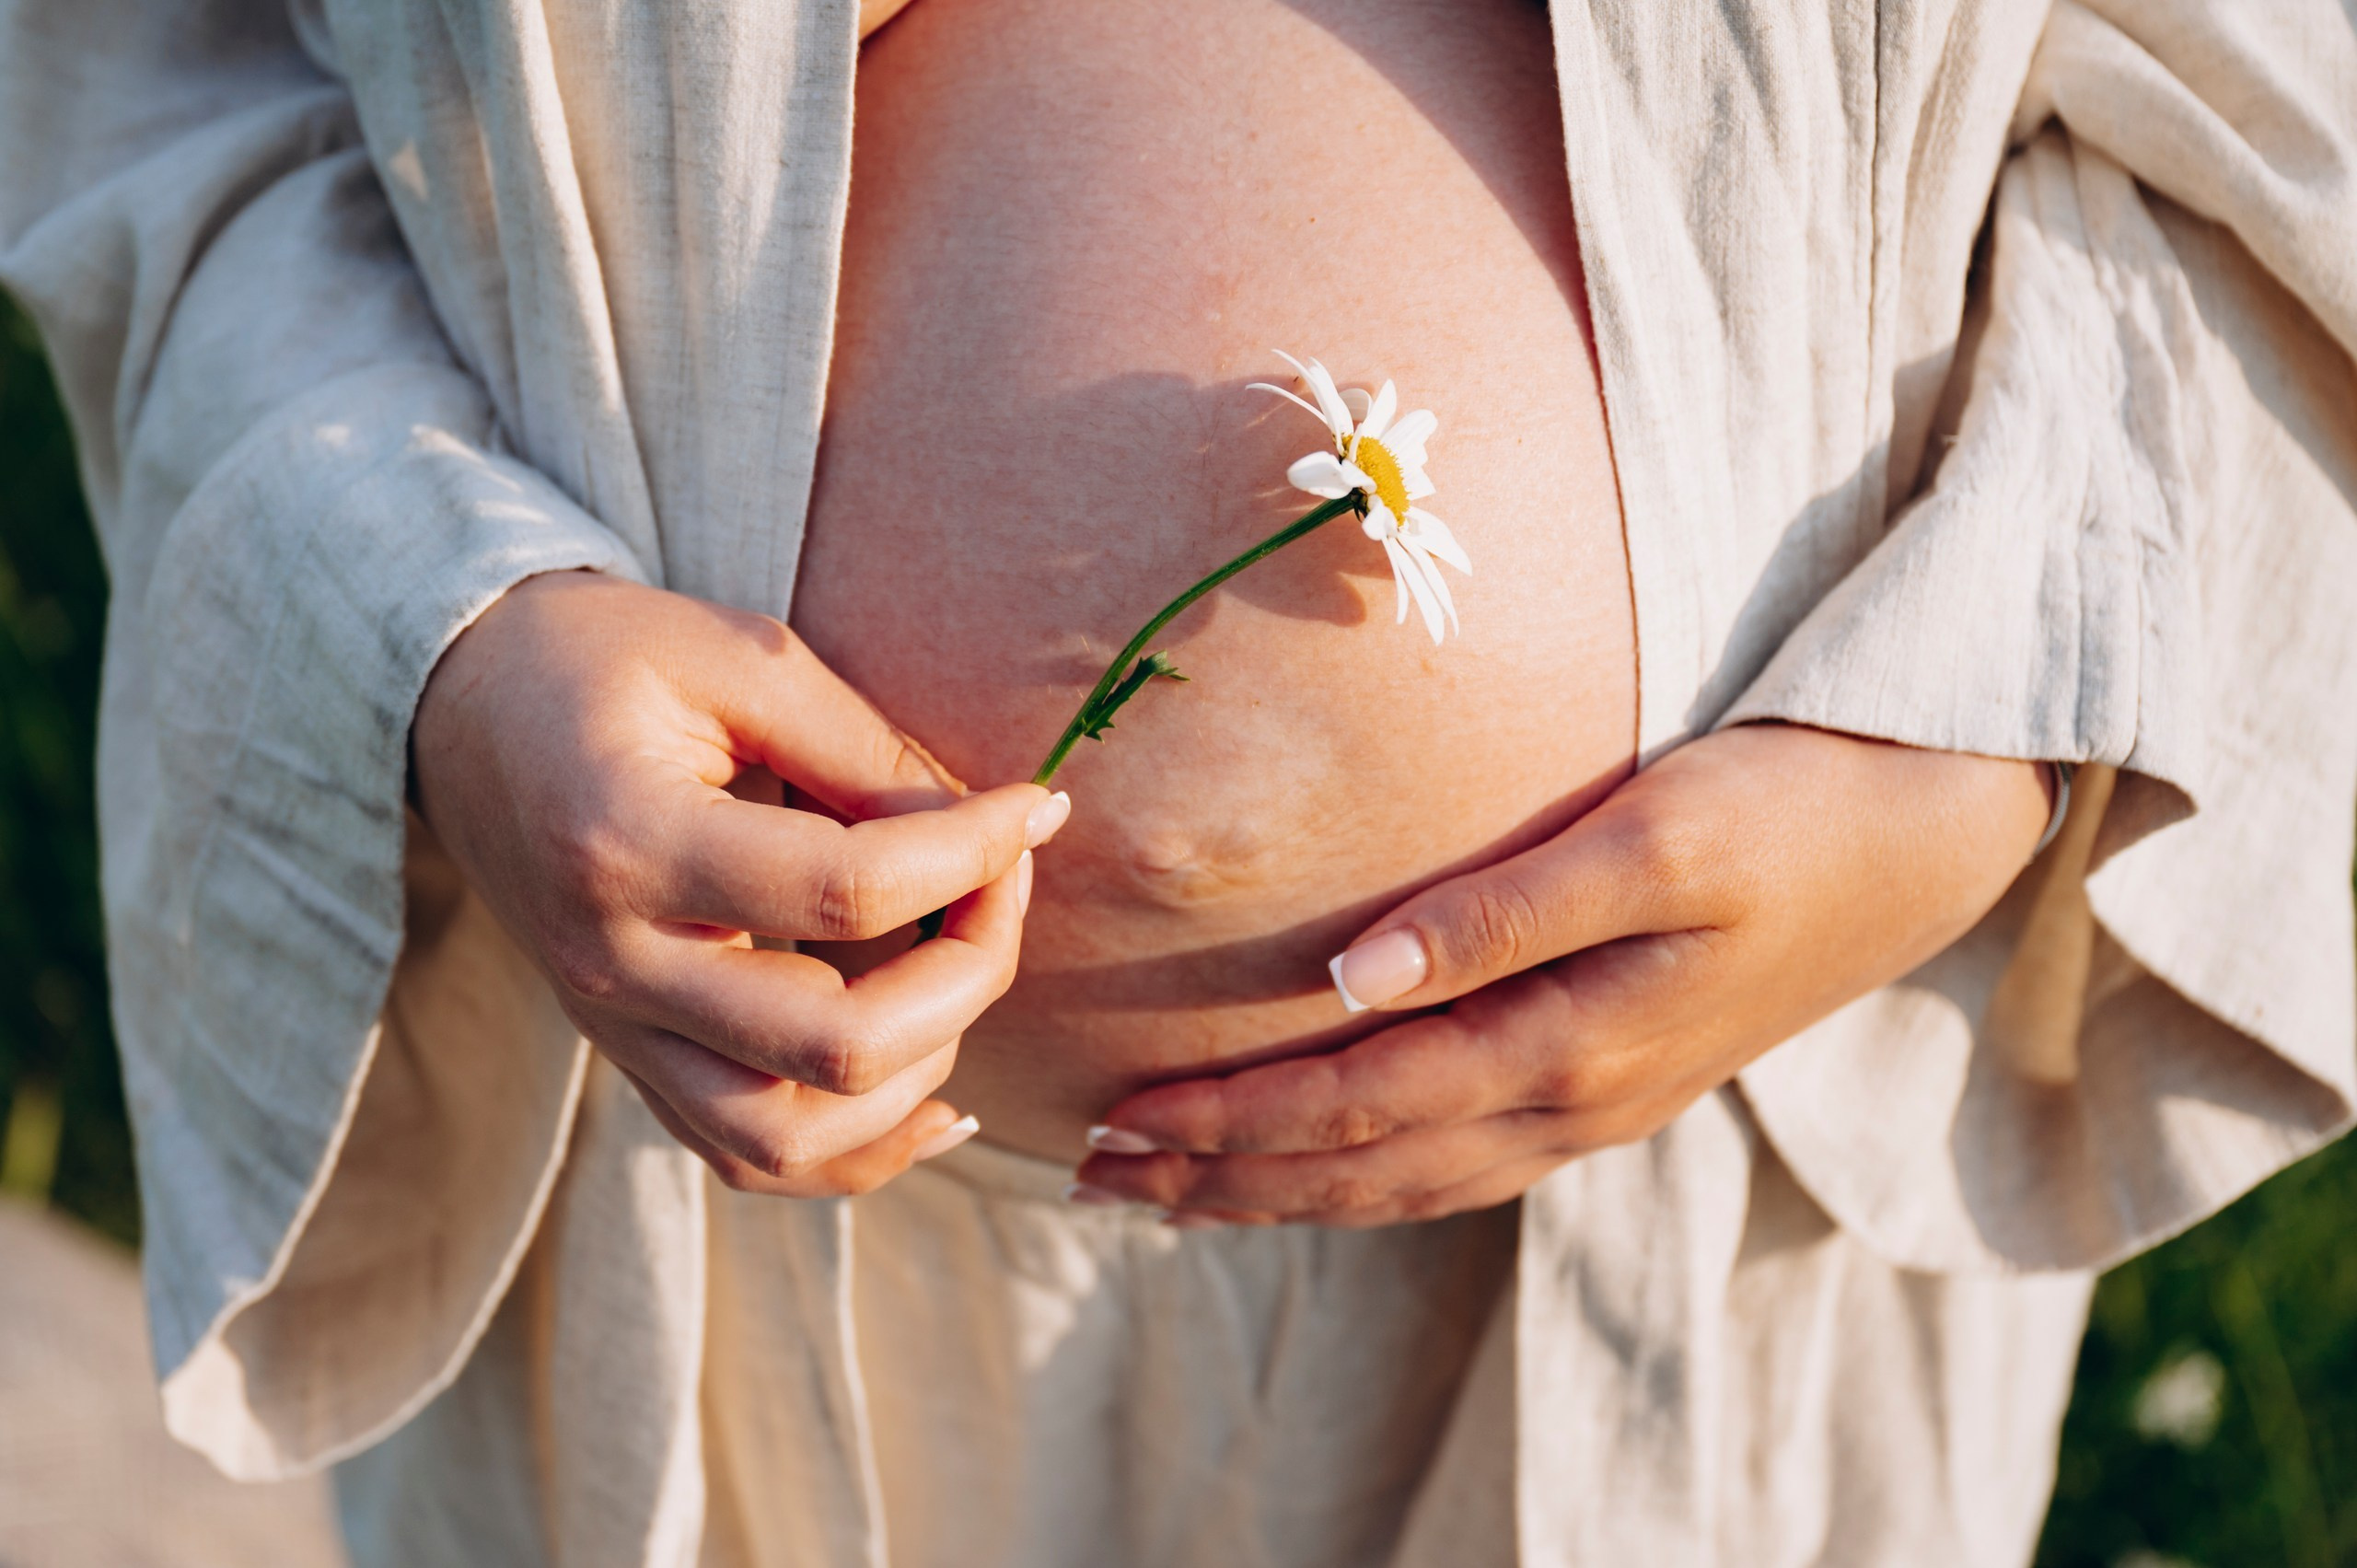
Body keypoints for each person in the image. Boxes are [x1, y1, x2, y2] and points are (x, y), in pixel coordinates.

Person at [3, 0, 2353, 1562]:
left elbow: (2268, 168)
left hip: (1667, 1238)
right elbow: (163, 92)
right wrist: (441, 620)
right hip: (704, 1236)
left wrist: (1981, 750)